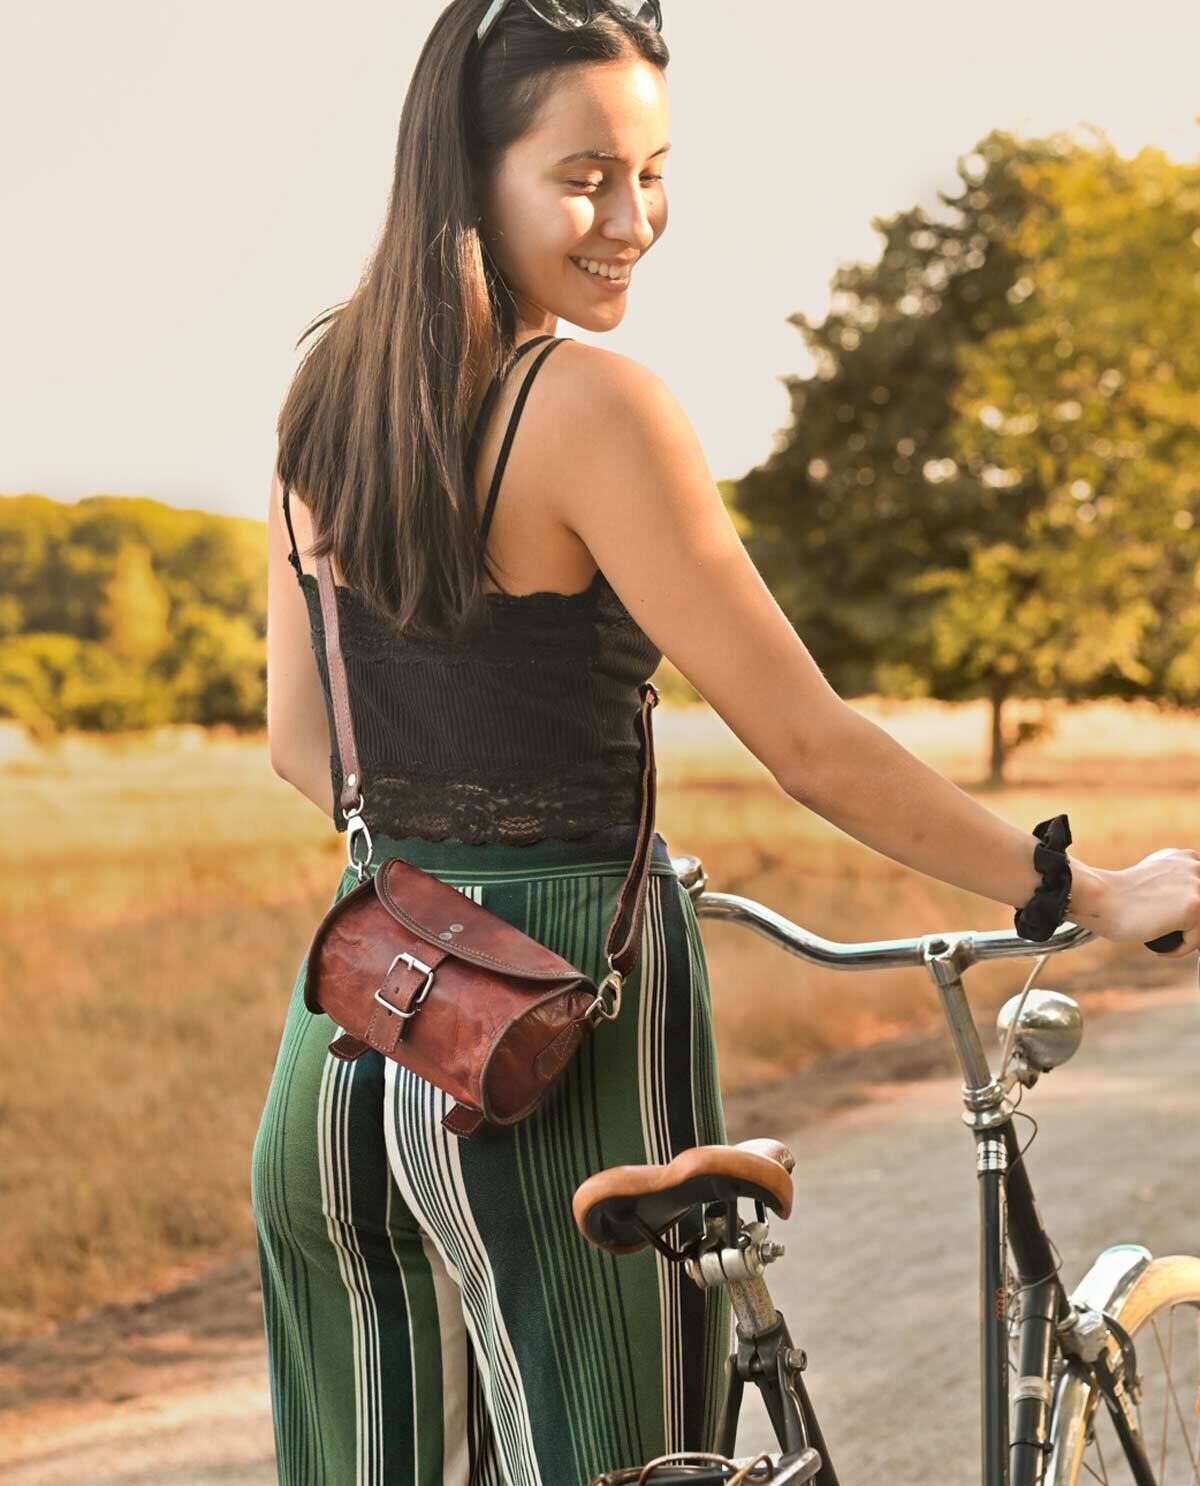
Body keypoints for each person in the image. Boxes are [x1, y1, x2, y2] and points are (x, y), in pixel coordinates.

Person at [253, 2, 1200, 1482]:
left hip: (344, 1048)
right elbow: (810, 745)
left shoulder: (322, 401)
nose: (632, 218)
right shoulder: (589, 406)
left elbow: (306, 751)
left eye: (654, 171)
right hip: (552, 1044)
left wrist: (457, 862)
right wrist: (1081, 889)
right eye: (584, 176)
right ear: (467, 172)